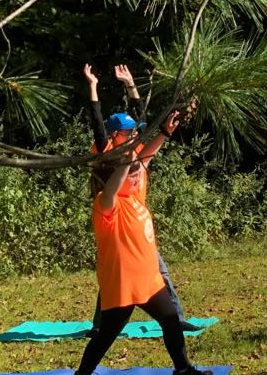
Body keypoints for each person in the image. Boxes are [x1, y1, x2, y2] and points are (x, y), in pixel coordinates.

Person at [73, 132, 212, 375]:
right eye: (132, 175)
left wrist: (165, 133)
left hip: (148, 282)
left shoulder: (135, 197)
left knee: (171, 320)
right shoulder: (107, 205)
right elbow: (112, 188)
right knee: (108, 333)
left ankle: (183, 371)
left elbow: (145, 159)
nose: (138, 179)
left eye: (138, 175)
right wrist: (127, 162)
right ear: (118, 177)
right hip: (123, 284)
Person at [83, 64, 200, 335]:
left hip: (136, 219)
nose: (135, 134)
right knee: (123, 274)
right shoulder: (107, 152)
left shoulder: (135, 149)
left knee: (152, 272)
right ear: (115, 135)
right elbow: (97, 125)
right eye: (128, 132)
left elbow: (142, 121)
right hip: (117, 219)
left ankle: (173, 318)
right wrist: (93, 87)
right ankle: (104, 326)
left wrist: (131, 85)